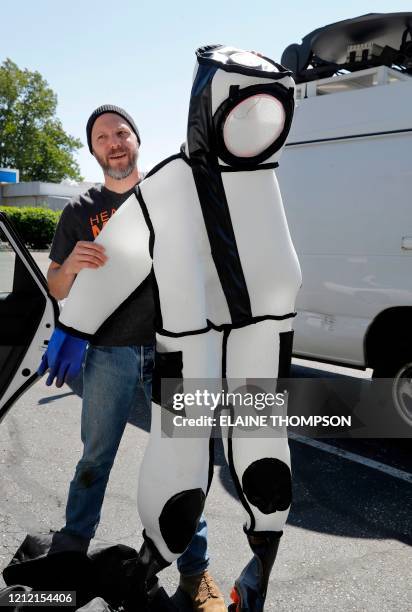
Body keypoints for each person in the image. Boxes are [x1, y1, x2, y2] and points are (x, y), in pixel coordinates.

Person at [46, 105, 225, 611]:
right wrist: (72, 267)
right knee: (94, 460)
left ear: (137, 139)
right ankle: (68, 557)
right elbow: (55, 285)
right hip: (108, 354)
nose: (114, 142)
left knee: (184, 462)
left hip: (175, 352)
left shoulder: (173, 197)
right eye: (103, 137)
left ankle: (196, 574)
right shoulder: (81, 209)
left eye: (121, 132)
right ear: (95, 150)